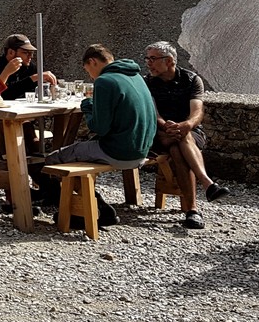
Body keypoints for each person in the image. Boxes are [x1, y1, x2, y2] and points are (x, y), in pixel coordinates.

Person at [34, 44, 157, 227]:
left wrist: (88, 107)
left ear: (92, 62)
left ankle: (94, 209)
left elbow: (99, 128)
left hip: (119, 151)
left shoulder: (105, 81)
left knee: (54, 158)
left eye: (88, 70)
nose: (90, 76)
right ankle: (89, 206)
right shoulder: (135, 76)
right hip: (142, 149)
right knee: (76, 153)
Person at [143, 40, 230, 230]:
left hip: (188, 133)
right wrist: (167, 126)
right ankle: (207, 185)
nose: (148, 63)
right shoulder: (147, 82)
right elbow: (153, 113)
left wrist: (186, 124)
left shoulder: (191, 79)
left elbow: (197, 112)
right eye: (147, 59)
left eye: (153, 59)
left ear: (170, 61)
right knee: (179, 139)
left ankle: (192, 210)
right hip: (161, 133)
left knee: (178, 146)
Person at [0, 34, 57, 100]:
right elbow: (4, 94)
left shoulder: (30, 67)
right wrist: (33, 78)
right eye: (25, 52)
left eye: (31, 53)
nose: (30, 56)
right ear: (11, 52)